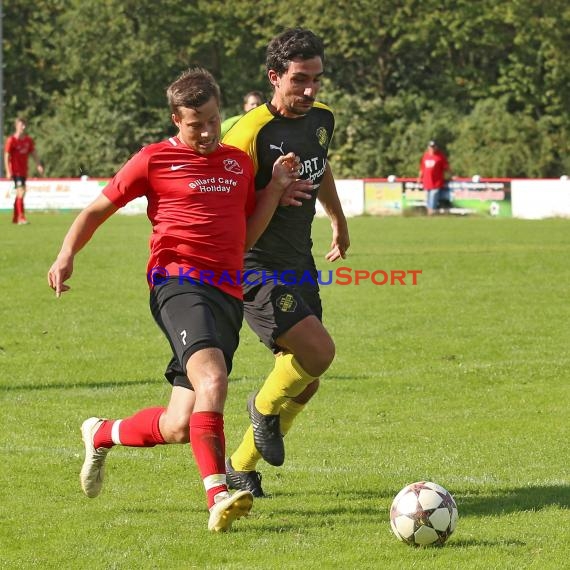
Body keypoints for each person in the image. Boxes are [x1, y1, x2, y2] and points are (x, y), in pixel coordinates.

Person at [47, 67, 312, 532]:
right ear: (176, 119)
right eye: (196, 124)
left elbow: (244, 234)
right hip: (178, 283)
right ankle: (219, 494)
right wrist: (67, 254)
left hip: (228, 291)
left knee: (178, 423)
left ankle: (102, 432)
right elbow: (96, 209)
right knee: (213, 379)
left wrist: (272, 191)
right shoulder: (151, 161)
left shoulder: (237, 163)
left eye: (213, 119)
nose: (208, 132)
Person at [222, 28, 350, 497]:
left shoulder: (323, 119)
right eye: (299, 80)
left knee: (306, 381)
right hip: (254, 262)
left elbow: (322, 164)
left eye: (317, 79)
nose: (310, 90)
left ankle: (239, 466)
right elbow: (225, 209)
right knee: (319, 353)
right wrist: (271, 193)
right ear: (275, 77)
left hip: (299, 260)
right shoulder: (246, 134)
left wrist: (337, 217)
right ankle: (260, 410)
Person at [4, 117, 45, 224]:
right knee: (21, 192)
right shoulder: (11, 140)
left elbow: (34, 153)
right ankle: (21, 217)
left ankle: (15, 217)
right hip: (15, 172)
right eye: (21, 125)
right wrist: (8, 171)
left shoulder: (28, 140)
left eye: (24, 125)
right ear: (16, 126)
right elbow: (6, 156)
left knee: (20, 193)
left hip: (23, 172)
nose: (23, 127)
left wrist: (38, 165)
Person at [417, 140, 451, 215]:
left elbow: (446, 168)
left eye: (433, 147)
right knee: (427, 198)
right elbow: (422, 169)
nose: (432, 148)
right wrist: (419, 178)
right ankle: (429, 212)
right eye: (430, 147)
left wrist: (451, 175)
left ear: (436, 147)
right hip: (426, 182)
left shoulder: (440, 156)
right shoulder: (425, 156)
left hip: (436, 182)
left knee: (433, 197)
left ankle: (432, 212)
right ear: (428, 147)